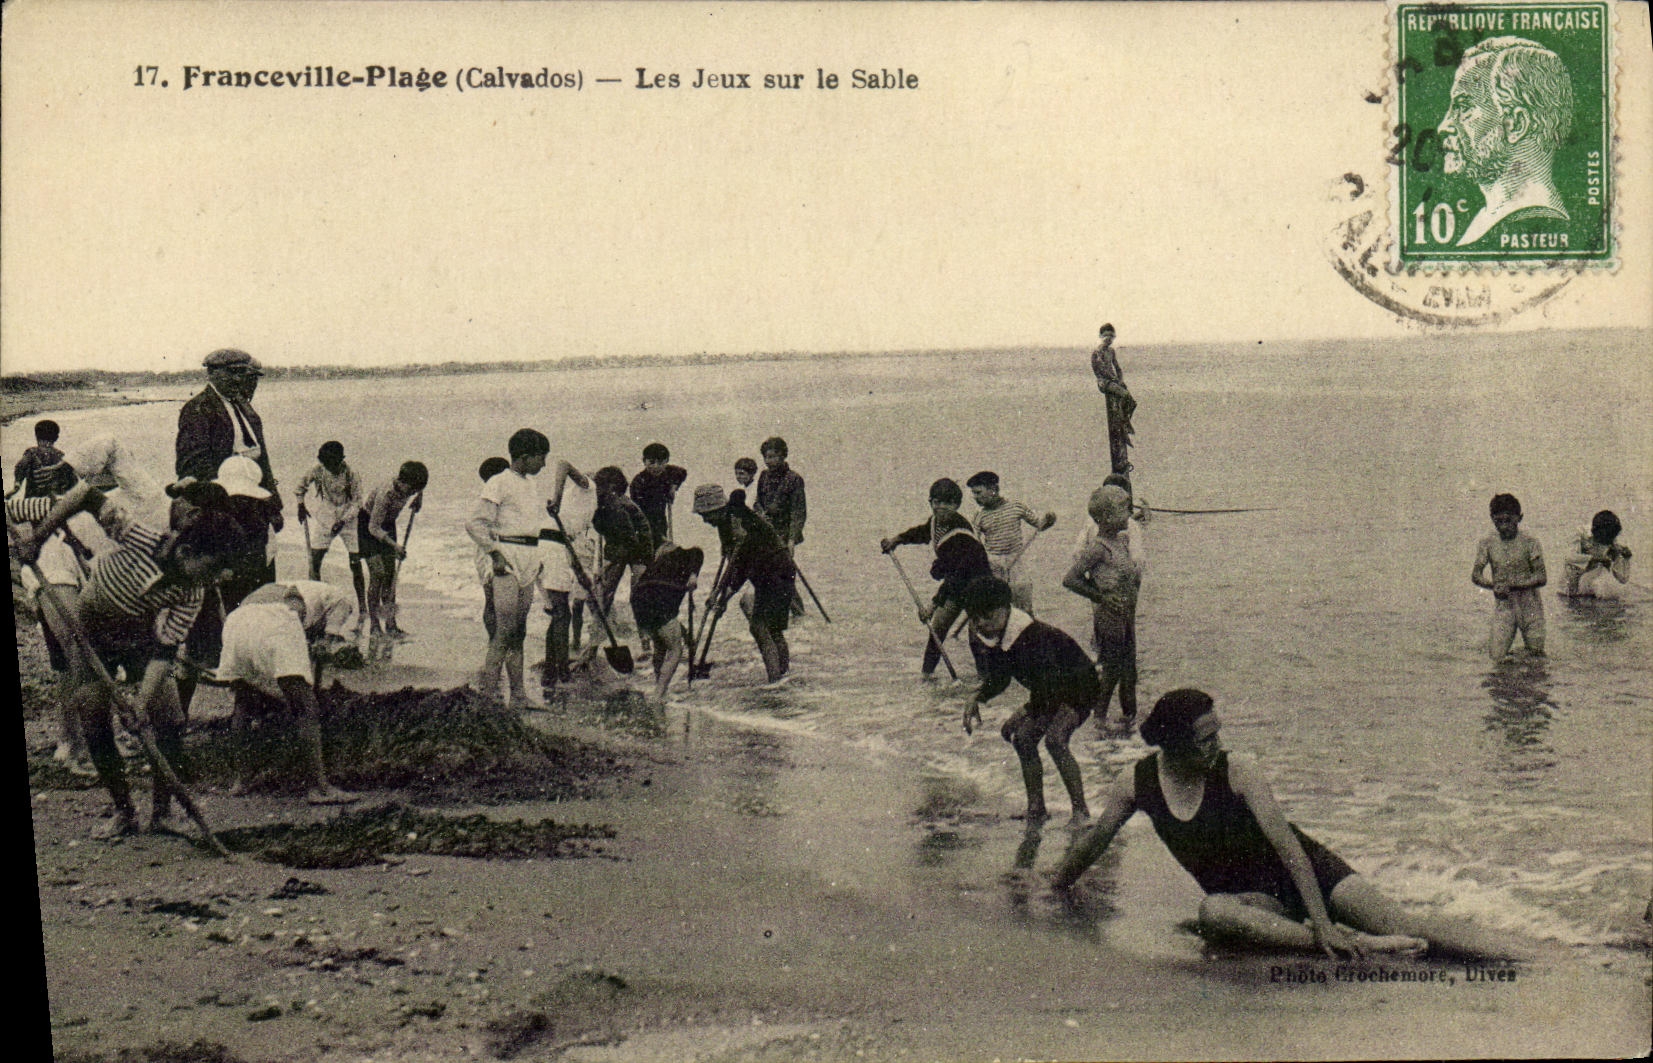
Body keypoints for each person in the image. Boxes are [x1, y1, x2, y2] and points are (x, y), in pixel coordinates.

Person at [1053, 689, 1538, 960]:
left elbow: (1289, 848)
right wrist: (1053, 885)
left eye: (1218, 731)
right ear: (1174, 744)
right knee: (1214, 912)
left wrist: (1325, 922)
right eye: (1205, 738)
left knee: (1405, 923)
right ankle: (1362, 944)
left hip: (1311, 871)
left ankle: (1525, 957)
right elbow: (1095, 841)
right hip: (1256, 900)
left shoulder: (1239, 770)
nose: (1217, 744)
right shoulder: (1138, 783)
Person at [11, 480, 242, 838]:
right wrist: (37, 538)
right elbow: (86, 494)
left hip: (138, 636)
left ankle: (162, 812)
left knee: (168, 720)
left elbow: (165, 651)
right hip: (91, 630)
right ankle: (123, 811)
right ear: (187, 552)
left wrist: (140, 702)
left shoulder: (192, 592)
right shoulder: (142, 537)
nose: (214, 580)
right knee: (92, 716)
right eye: (211, 569)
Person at [960, 575, 1097, 825]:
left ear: (1006, 609)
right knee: (1023, 739)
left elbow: (1050, 684)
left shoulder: (1031, 636)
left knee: (1055, 740)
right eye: (975, 618)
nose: (981, 623)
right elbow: (1001, 677)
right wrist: (977, 696)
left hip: (1079, 687)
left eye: (988, 616)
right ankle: (1037, 808)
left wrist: (1023, 712)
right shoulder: (998, 634)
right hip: (1050, 690)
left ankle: (1081, 811)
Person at [217, 585, 359, 805]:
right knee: (307, 708)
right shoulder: (343, 599)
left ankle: (241, 781)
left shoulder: (289, 586)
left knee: (243, 703)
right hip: (277, 621)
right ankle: (320, 789)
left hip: (236, 621)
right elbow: (325, 641)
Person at [1437, 37, 1575, 247]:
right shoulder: (1487, 220)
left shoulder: (1532, 221)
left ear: (1516, 124)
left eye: (1464, 107)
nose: (1444, 126)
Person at [468, 430, 558, 709]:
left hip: (529, 557)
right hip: (507, 557)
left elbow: (529, 525)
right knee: (504, 631)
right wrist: (494, 553)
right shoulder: (499, 482)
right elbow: (475, 523)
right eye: (541, 458)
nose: (543, 464)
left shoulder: (529, 484)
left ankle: (518, 695)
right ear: (524, 456)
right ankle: (487, 696)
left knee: (518, 631)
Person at [880, 478, 993, 681]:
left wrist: (932, 605)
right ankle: (927, 676)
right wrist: (897, 540)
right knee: (938, 627)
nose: (940, 507)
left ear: (956, 505)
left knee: (976, 638)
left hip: (978, 586)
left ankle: (986, 681)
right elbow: (923, 533)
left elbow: (956, 577)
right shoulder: (935, 522)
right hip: (956, 584)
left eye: (947, 503)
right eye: (936, 502)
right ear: (930, 502)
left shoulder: (961, 532)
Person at [694, 484, 796, 687]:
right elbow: (733, 562)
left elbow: (740, 566)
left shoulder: (738, 520)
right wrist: (719, 593)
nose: (705, 520)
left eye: (706, 515)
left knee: (759, 626)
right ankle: (782, 675)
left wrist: (724, 597)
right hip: (775, 570)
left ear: (716, 509)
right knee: (772, 629)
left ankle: (775, 682)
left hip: (774, 570)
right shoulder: (727, 522)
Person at [175, 348, 282, 532]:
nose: (238, 379)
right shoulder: (198, 409)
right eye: (231, 372)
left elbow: (262, 458)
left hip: (255, 505)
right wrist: (225, 506)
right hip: (224, 511)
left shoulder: (244, 407)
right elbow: (193, 465)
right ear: (211, 373)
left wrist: (273, 506)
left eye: (242, 372)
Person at [1063, 484, 1141, 725]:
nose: (1128, 514)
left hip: (1125, 613)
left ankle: (1130, 721)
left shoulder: (1120, 541)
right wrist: (1101, 597)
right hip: (1110, 615)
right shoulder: (1098, 548)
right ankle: (1099, 719)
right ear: (1105, 517)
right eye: (1123, 510)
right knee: (1112, 670)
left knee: (1129, 671)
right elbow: (1070, 579)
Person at [358, 460, 427, 657]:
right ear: (402, 482)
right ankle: (374, 625)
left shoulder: (412, 486)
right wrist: (394, 546)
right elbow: (373, 527)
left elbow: (420, 487)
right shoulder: (386, 493)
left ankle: (391, 624)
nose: (411, 494)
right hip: (368, 526)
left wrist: (419, 498)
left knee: (390, 577)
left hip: (388, 525)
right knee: (378, 574)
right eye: (411, 490)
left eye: (416, 491)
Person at [967, 471, 1055, 614]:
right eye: (974, 494)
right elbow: (975, 545)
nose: (976, 498)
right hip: (994, 564)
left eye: (978, 492)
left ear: (993, 490)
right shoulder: (979, 516)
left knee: (1024, 608)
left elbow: (1039, 525)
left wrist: (1049, 520)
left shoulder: (1016, 507)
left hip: (1016, 561)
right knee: (997, 609)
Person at [295, 441, 365, 619]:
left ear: (341, 460)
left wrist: (343, 521)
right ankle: (315, 604)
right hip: (326, 515)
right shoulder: (318, 470)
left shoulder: (351, 473)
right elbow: (300, 487)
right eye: (327, 464)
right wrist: (300, 505)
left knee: (355, 563)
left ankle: (363, 607)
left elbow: (357, 503)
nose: (330, 467)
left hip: (348, 516)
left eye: (333, 464)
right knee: (315, 560)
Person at [1471, 493, 1546, 660]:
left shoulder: (1530, 542)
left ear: (1519, 518)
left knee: (1536, 655)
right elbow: (1476, 575)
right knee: (1496, 657)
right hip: (1504, 606)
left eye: (1508, 521)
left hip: (1530, 606)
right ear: (1492, 519)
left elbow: (1541, 577)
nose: (1504, 527)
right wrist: (1492, 585)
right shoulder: (1487, 543)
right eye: (1499, 522)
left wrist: (1515, 584)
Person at [630, 540, 704, 704]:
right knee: (675, 650)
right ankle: (659, 694)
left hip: (638, 599)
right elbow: (698, 551)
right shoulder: (684, 553)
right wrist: (694, 576)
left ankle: (659, 687)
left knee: (660, 646)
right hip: (659, 596)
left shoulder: (656, 566)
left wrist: (683, 631)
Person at [590, 465, 655, 647]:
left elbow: (630, 542)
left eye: (599, 486)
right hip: (617, 546)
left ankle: (646, 639)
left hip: (639, 550)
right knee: (603, 593)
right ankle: (596, 640)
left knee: (638, 595)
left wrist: (607, 567)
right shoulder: (601, 503)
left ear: (611, 488)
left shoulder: (618, 506)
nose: (596, 490)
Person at [755, 437, 807, 617]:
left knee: (784, 576)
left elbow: (798, 513)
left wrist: (792, 540)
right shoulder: (763, 477)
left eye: (774, 456)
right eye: (766, 457)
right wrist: (761, 515)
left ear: (783, 456)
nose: (769, 461)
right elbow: (758, 503)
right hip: (766, 533)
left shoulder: (794, 479)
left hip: (784, 535)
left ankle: (798, 613)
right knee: (771, 576)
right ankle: (785, 612)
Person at [473, 457, 511, 642]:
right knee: (494, 601)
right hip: (491, 551)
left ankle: (495, 642)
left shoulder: (491, 495)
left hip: (485, 551)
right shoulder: (494, 497)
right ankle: (496, 642)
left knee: (493, 600)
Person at [1090, 324, 1135, 476]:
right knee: (1124, 395)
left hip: (1114, 381)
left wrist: (1121, 379)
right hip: (1105, 383)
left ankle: (1125, 421)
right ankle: (1124, 424)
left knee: (1131, 401)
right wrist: (1115, 380)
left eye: (1112, 336)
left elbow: (1117, 367)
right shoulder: (1097, 352)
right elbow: (1102, 370)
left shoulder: (1111, 351)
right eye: (1106, 336)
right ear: (1102, 336)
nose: (1109, 339)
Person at [629, 442, 688, 551]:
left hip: (660, 520)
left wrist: (673, 487)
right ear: (644, 461)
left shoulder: (668, 472)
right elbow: (638, 512)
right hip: (643, 523)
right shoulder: (638, 482)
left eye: (660, 463)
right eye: (651, 462)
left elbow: (682, 472)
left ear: (666, 462)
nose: (656, 466)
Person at [1562, 510, 1632, 600]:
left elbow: (1622, 579)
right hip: (1567, 589)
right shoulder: (1580, 533)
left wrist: (1625, 559)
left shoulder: (1611, 539)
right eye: (1605, 539)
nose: (1608, 543)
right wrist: (1595, 558)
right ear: (1596, 532)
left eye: (1611, 539)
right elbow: (1569, 556)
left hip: (1590, 589)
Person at [10, 419, 70, 498]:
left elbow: (20, 467)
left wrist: (17, 486)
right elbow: (68, 480)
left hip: (33, 500)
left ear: (36, 436)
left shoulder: (32, 453)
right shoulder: (60, 456)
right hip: (54, 501)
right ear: (56, 438)